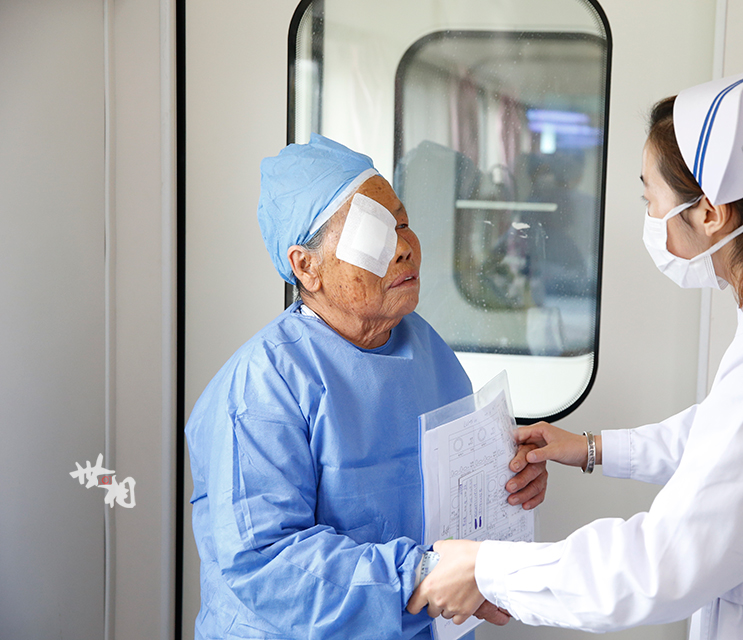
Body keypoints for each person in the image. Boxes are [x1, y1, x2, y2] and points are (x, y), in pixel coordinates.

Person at [407, 69, 743, 638]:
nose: (650, 216)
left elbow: (657, 568)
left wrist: (486, 569)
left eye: (651, 196)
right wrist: (591, 449)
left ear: (708, 212)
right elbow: (732, 436)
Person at [186, 134, 547, 640]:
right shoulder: (260, 390)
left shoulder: (427, 351)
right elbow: (265, 563)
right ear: (305, 267)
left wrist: (508, 485)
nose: (403, 247)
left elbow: (453, 492)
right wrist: (417, 577)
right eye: (372, 232)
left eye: (401, 222)